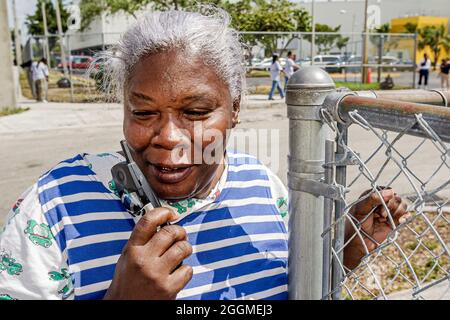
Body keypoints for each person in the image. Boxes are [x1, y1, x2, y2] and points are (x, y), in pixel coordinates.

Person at [0, 8, 409, 300]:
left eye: (195, 112)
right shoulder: (56, 206)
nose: (168, 136)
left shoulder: (261, 186)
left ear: (234, 110)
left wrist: (342, 254)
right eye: (143, 111)